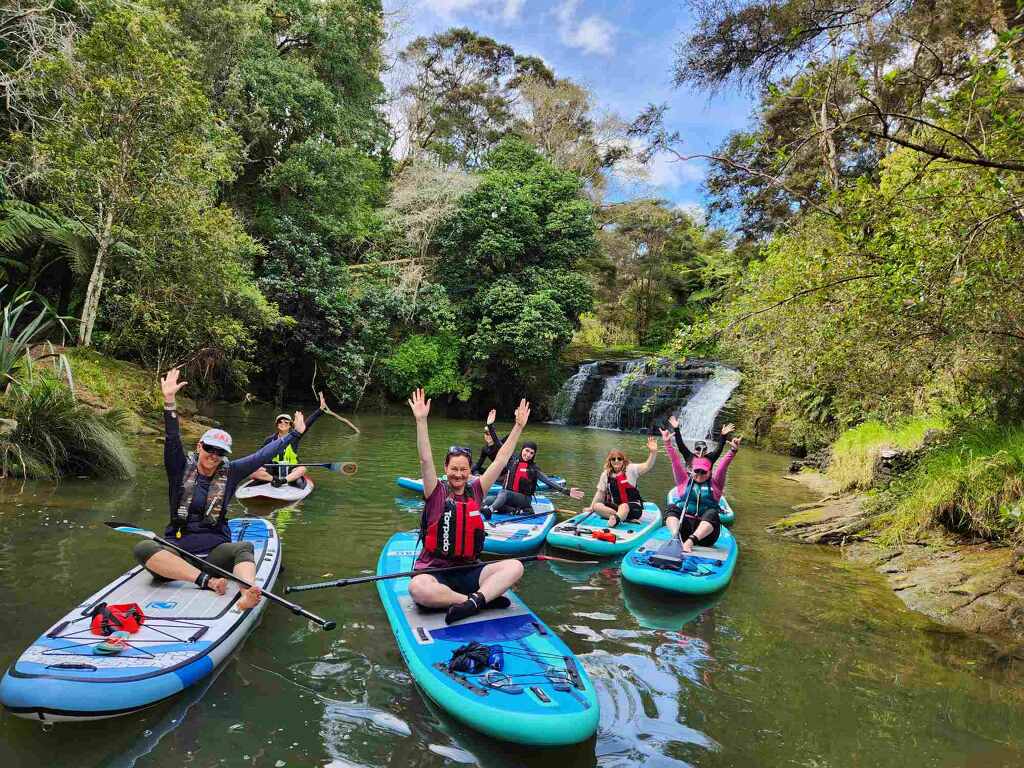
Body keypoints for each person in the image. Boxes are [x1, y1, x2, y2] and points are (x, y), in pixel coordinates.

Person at [132, 368, 310, 611]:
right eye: (209, 449)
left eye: (220, 453)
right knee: (143, 547)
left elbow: (262, 455)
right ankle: (205, 581)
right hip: (178, 552)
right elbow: (172, 438)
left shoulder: (232, 471)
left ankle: (248, 593)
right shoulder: (179, 467)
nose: (213, 456)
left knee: (243, 548)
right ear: (200, 446)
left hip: (216, 554)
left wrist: (295, 434)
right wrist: (169, 402)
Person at [407, 388, 531, 625]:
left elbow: (502, 459)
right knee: (418, 589)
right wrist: (421, 421)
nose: (459, 474)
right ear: (446, 469)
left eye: (464, 469)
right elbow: (425, 459)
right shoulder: (435, 491)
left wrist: (518, 427)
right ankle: (476, 600)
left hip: (469, 571)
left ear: (469, 471)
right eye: (454, 469)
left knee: (515, 567)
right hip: (435, 572)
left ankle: (474, 601)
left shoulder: (477, 489)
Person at [662, 427, 741, 550]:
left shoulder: (716, 484)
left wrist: (733, 450)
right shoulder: (684, 481)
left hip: (706, 535)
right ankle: (675, 536)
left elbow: (723, 466)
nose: (699, 475)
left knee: (712, 513)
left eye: (703, 472)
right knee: (672, 508)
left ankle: (691, 542)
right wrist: (667, 442)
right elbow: (675, 461)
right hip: (684, 529)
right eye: (696, 471)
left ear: (709, 472)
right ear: (691, 470)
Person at [248, 392, 327, 488]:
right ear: (277, 425)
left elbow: (308, 423)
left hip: (290, 469)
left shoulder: (295, 436)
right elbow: (259, 456)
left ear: (290, 425)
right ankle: (273, 479)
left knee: (302, 469)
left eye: (286, 422)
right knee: (253, 472)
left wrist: (320, 410)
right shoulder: (269, 440)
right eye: (280, 422)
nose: (283, 423)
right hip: (272, 469)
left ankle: (283, 481)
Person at [483, 441, 583, 516]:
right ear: (522, 449)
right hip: (509, 497)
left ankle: (490, 510)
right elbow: (499, 444)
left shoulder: (533, 468)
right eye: (527, 450)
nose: (528, 454)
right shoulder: (512, 460)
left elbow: (548, 481)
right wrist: (490, 426)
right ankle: (514, 510)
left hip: (524, 499)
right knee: (488, 500)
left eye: (532, 453)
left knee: (503, 492)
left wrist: (566, 491)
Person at [586, 436, 658, 527]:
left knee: (623, 506)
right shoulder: (606, 474)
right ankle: (622, 518)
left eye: (619, 458)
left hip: (633, 508)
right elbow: (600, 493)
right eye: (613, 459)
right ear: (610, 461)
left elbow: (647, 466)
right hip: (616, 507)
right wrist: (591, 508)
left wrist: (653, 452)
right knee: (597, 506)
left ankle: (615, 520)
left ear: (623, 460)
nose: (616, 461)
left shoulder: (631, 469)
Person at [668, 413, 735, 469]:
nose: (701, 451)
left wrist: (723, 435)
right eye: (698, 449)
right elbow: (680, 444)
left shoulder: (710, 458)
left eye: (704, 449)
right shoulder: (689, 456)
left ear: (706, 451)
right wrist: (676, 428)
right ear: (694, 450)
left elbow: (719, 447)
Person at [471, 409, 505, 475]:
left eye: (490, 433)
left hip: (505, 473)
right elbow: (478, 464)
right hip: (495, 472)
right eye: (486, 433)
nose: (488, 435)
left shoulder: (500, 444)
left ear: (493, 434)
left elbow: (510, 435)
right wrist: (469, 471)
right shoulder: (485, 449)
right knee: (476, 469)